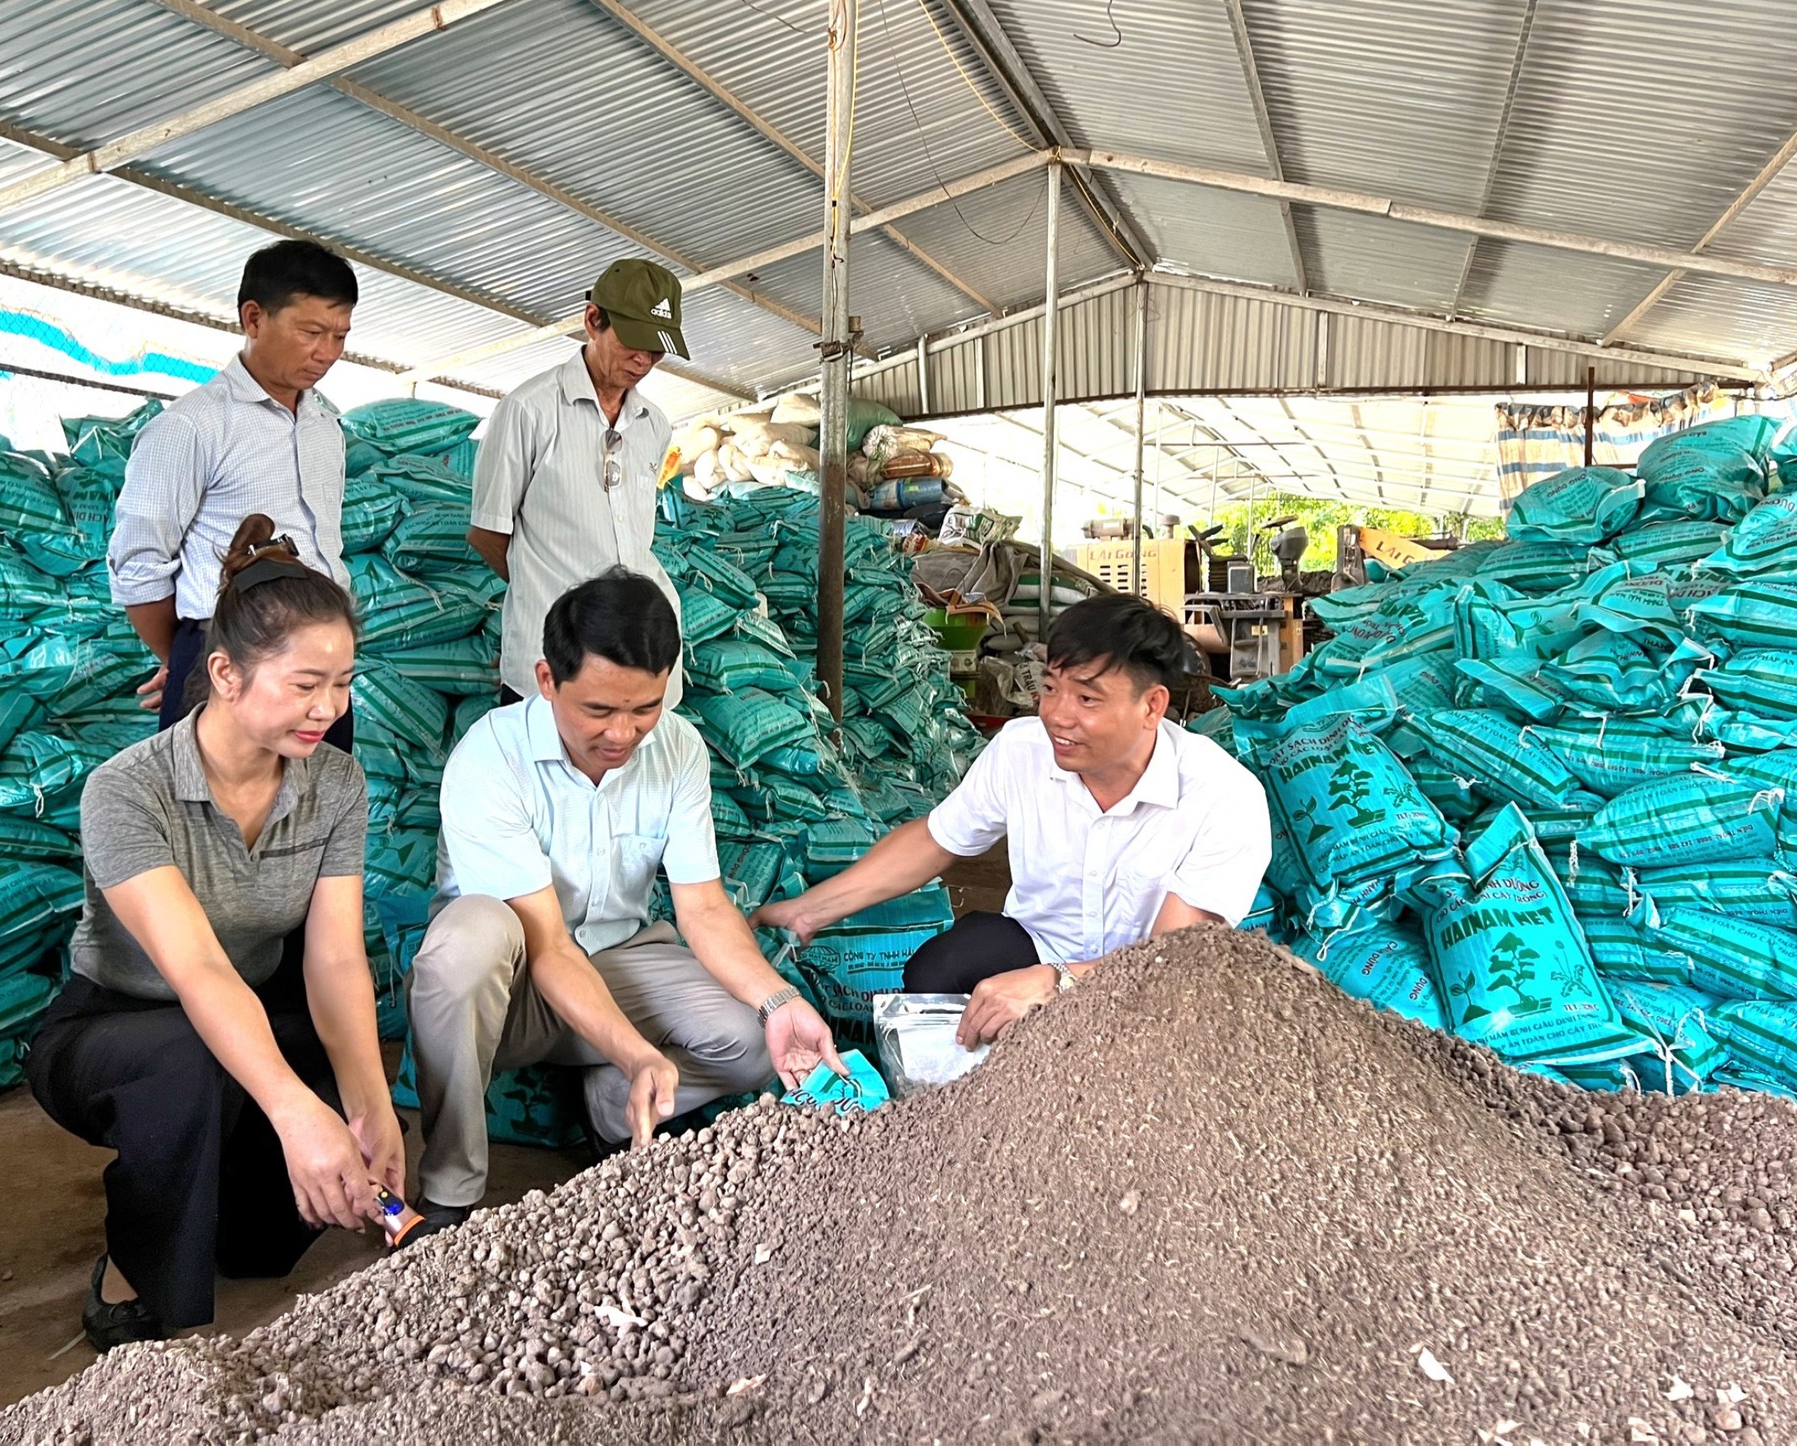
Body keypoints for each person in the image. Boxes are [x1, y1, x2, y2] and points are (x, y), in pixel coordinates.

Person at [27, 515, 401, 1353]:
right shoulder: (127, 791)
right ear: (225, 673)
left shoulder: (336, 782)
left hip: (252, 1006)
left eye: (343, 683)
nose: (328, 708)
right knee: (190, 1064)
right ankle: (142, 1282)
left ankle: (207, 1216)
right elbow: (196, 970)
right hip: (117, 1025)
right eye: (306, 683)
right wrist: (298, 1117)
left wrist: (367, 1103)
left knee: (269, 1236)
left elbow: (335, 955)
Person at [407, 569, 841, 1228]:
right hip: (513, 984)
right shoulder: (491, 757)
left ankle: (612, 1108)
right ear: (547, 680)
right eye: (599, 711)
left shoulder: (678, 750)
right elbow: (548, 945)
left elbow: (701, 906)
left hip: (618, 962)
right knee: (465, 944)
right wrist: (638, 1050)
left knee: (755, 1041)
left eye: (645, 708)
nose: (623, 734)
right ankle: (449, 1192)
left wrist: (780, 1001)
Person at [754, 593, 1271, 1051]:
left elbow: (1171, 958)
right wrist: (808, 912)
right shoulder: (1023, 750)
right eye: (1050, 688)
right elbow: (937, 839)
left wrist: (1057, 983)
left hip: (1153, 982)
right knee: (936, 973)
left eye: (1088, 699)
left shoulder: (1223, 796)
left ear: (1151, 706)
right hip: (1039, 942)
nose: (1058, 715)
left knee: (1153, 1040)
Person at [108, 239, 359, 748]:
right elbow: (139, 565)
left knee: (317, 815)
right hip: (229, 665)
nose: (327, 353)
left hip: (322, 671)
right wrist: (190, 653)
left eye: (339, 335)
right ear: (253, 318)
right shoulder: (191, 427)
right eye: (311, 332)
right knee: (211, 821)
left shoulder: (325, 428)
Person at [466, 259, 690, 712]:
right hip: (555, 657)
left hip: (637, 657)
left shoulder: (653, 425)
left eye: (656, 349)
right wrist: (549, 591)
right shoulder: (529, 410)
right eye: (634, 343)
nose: (643, 360)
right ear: (593, 320)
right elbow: (487, 533)